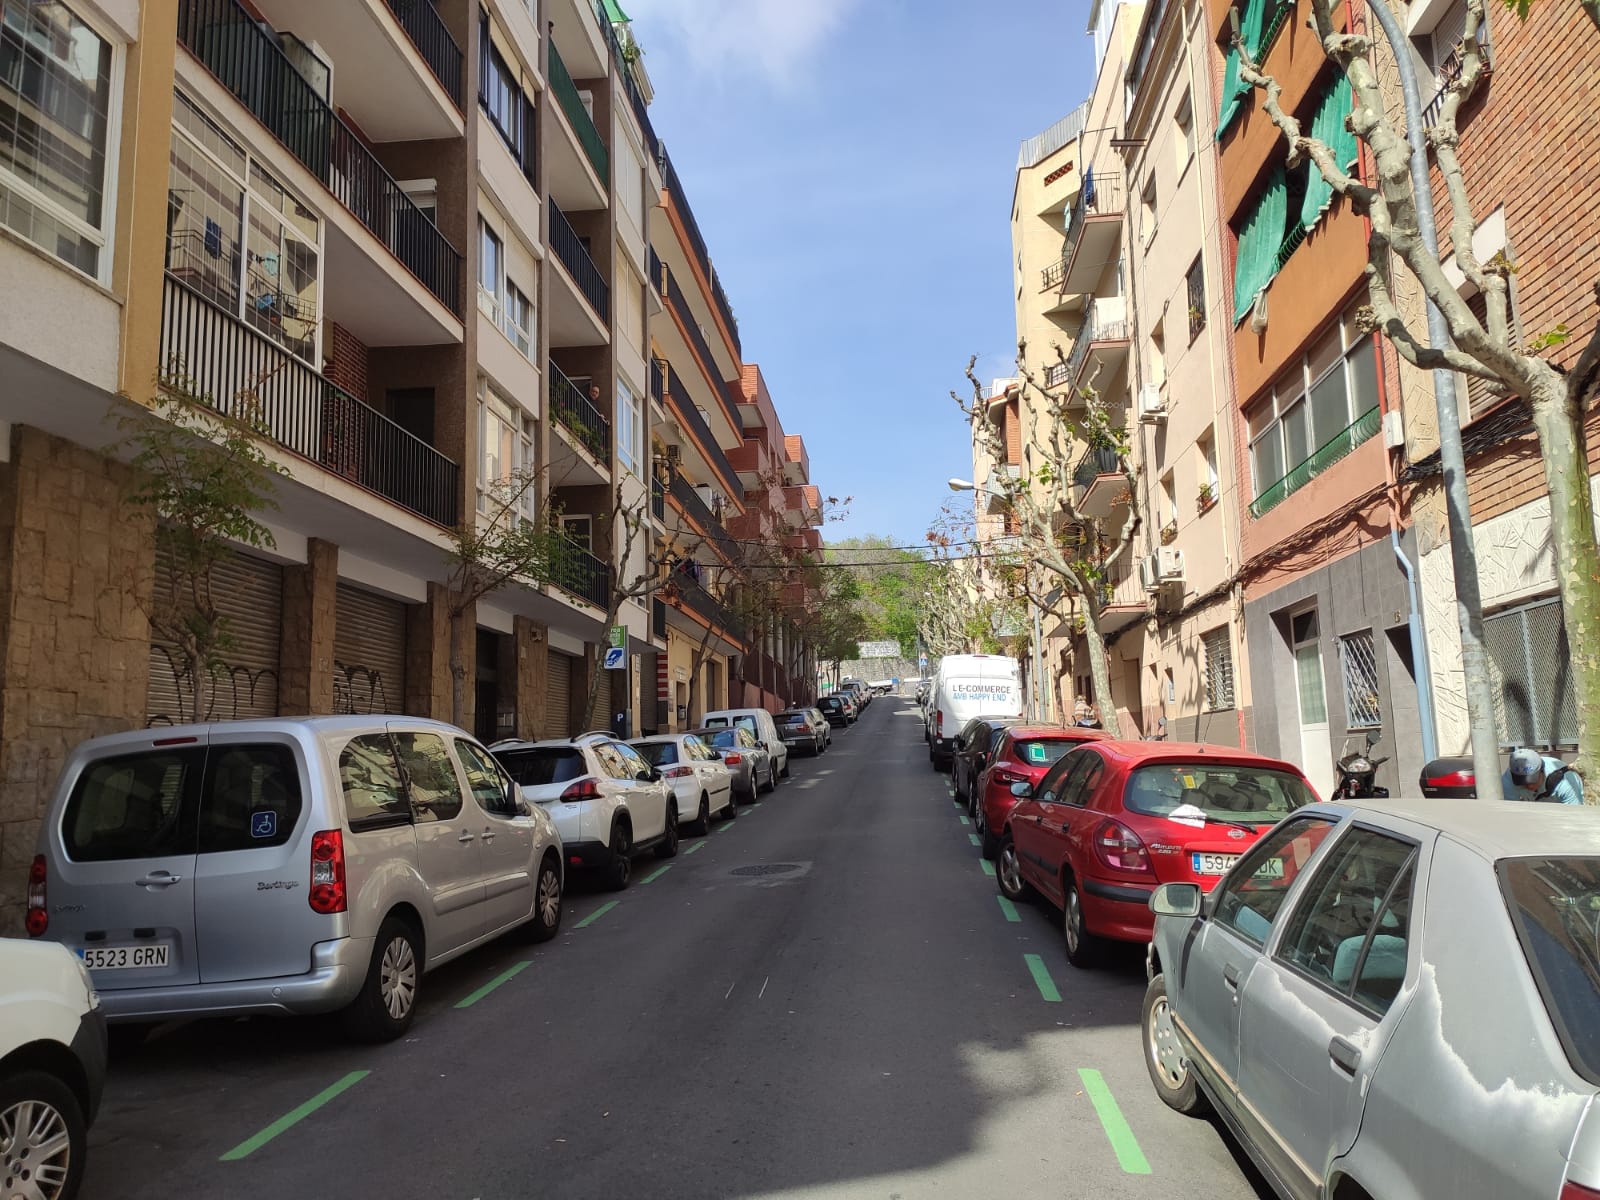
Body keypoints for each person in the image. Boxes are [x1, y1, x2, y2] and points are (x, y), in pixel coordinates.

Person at [1502, 747, 1585, 804]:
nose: (1529, 786)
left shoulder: (1566, 781)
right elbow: (1512, 812)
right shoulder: (1507, 781)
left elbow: (1575, 814)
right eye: (1522, 782)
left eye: (1533, 780)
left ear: (1542, 770)